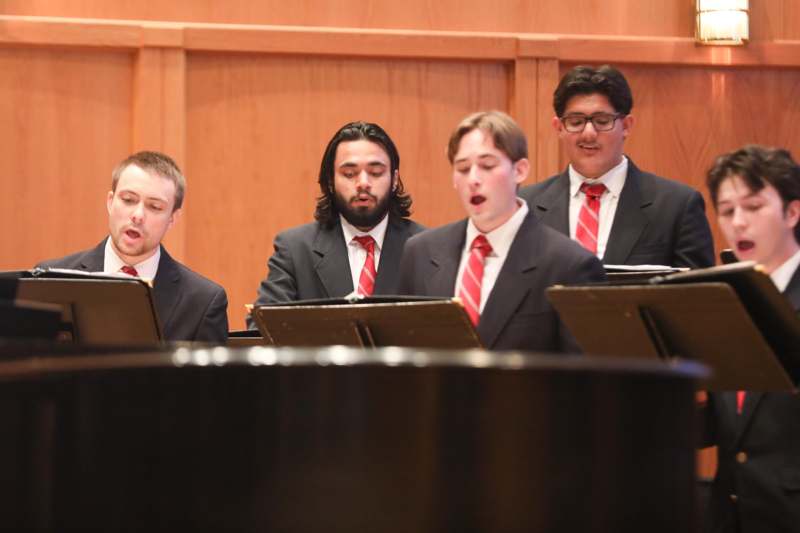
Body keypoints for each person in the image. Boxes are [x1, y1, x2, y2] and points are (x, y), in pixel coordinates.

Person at [397, 111, 605, 352]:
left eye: (487, 165)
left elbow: (583, 378)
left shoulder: (569, 264)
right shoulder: (421, 252)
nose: (473, 179)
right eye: (463, 169)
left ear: (520, 170)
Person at [519, 64, 714, 268]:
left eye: (602, 121)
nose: (588, 133)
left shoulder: (677, 206)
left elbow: (699, 297)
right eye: (576, 122)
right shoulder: (526, 207)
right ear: (559, 127)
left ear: (627, 126)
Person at [702, 145, 800, 533]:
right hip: (730, 512)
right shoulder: (723, 300)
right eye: (727, 211)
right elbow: (729, 421)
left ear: (793, 212)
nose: (738, 222)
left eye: (753, 206)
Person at [37, 151, 228, 342]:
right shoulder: (47, 279)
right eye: (128, 200)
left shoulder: (203, 302)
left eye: (154, 207)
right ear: (110, 202)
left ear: (172, 218)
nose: (138, 215)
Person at [248, 121, 424, 327]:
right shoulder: (295, 249)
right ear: (330, 181)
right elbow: (262, 329)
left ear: (394, 179)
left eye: (376, 172)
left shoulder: (425, 248)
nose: (363, 183)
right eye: (349, 174)